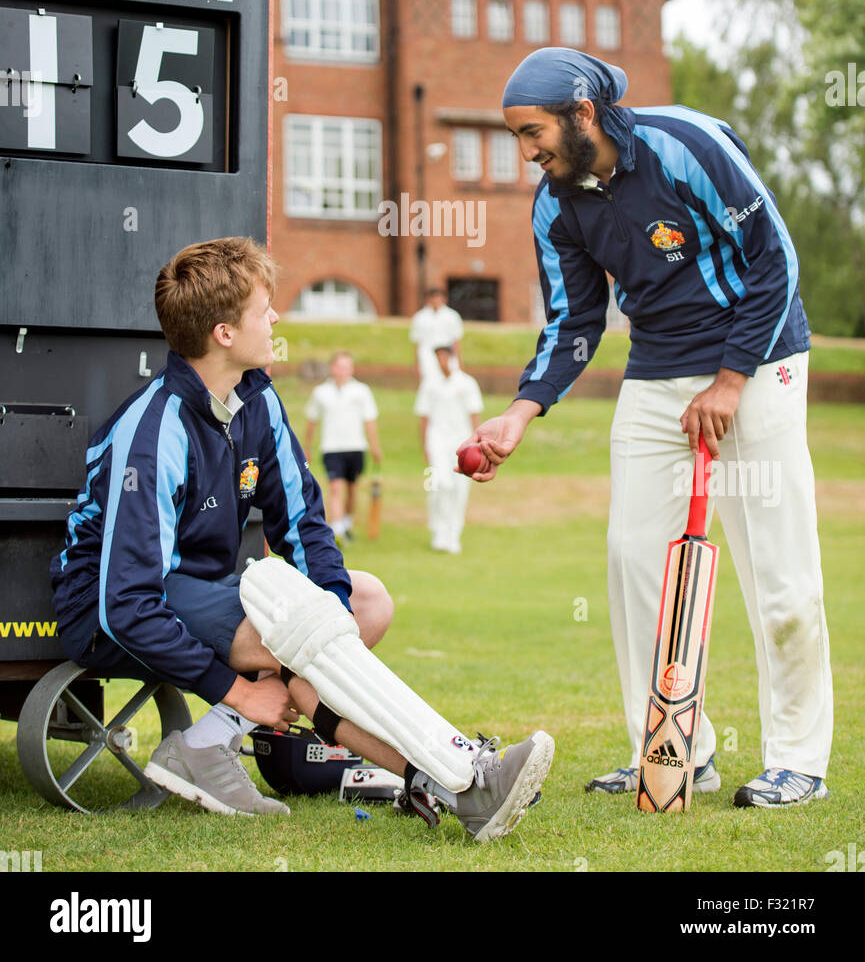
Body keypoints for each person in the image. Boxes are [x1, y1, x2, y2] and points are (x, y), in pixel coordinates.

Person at [50, 237, 553, 837]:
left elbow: (304, 524)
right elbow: (126, 600)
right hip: (114, 609)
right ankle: (466, 778)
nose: (277, 318)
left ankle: (210, 746)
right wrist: (237, 691)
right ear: (224, 333)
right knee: (309, 642)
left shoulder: (256, 399)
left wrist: (332, 622)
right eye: (265, 309)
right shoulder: (156, 429)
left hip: (201, 588)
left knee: (364, 602)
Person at [461, 48, 832, 810]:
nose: (525, 151)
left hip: (758, 364)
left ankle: (797, 759)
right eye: (516, 138)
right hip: (656, 373)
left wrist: (731, 379)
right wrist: (519, 411)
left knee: (779, 576)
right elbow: (573, 321)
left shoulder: (684, 144)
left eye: (531, 133)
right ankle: (671, 752)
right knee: (634, 561)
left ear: (582, 114)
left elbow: (775, 259)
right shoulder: (554, 203)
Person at [304, 351, 381, 542]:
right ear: (332, 368)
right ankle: (337, 529)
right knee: (336, 488)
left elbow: (369, 420)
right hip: (331, 447)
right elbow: (312, 421)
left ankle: (347, 523)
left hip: (355, 446)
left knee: (352, 489)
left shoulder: (361, 391)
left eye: (347, 367)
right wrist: (307, 448)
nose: (343, 371)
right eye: (339, 366)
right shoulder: (320, 392)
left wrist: (375, 446)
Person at [415, 342, 483, 553]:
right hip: (436, 440)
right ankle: (438, 531)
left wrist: (478, 447)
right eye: (438, 357)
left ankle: (453, 534)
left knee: (459, 488)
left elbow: (475, 416)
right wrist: (425, 446)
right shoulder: (430, 384)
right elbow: (424, 417)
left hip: (462, 442)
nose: (441, 361)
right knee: (438, 485)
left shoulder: (466, 383)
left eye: (444, 356)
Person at [409, 286, 464, 382]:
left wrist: (459, 360)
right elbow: (417, 341)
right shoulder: (420, 317)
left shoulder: (452, 316)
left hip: (447, 354)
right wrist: (416, 363)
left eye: (438, 297)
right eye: (433, 298)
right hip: (427, 354)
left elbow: (456, 340)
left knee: (450, 379)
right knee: (428, 380)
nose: (436, 300)